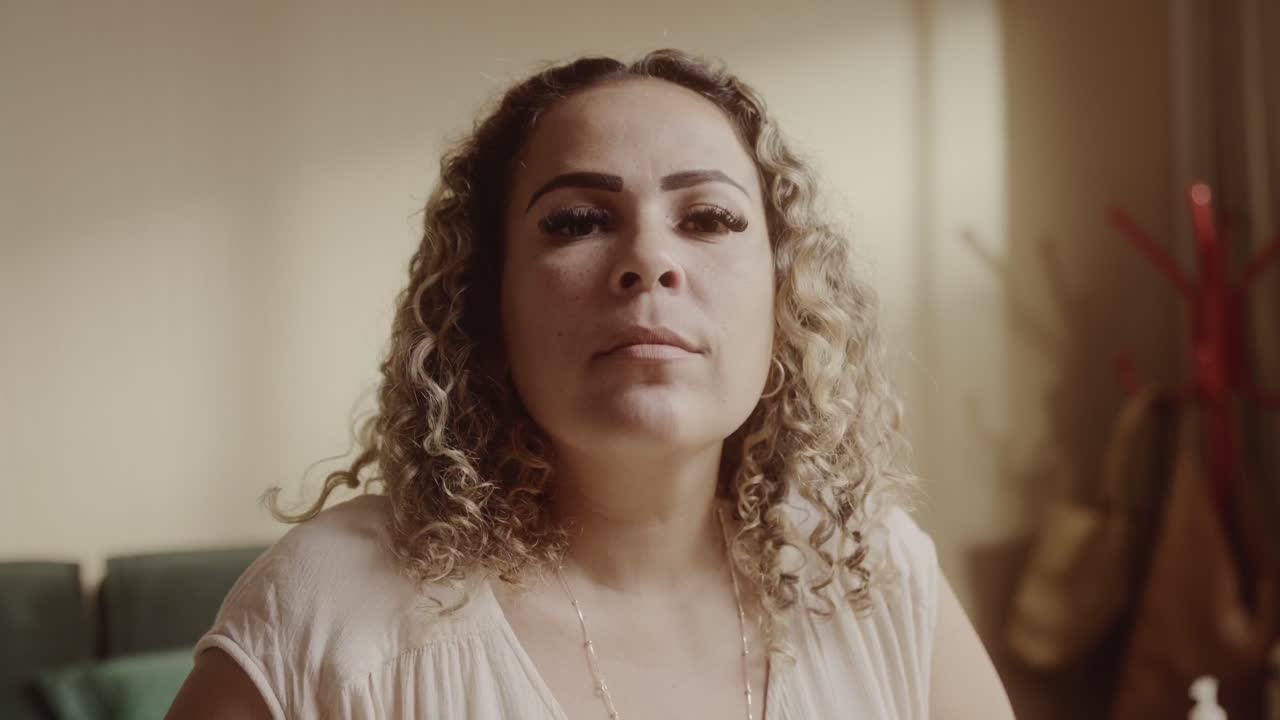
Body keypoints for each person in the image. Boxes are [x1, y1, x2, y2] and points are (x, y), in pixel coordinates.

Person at [167, 49, 1014, 719]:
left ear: (783, 298)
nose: (650, 258)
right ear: (487, 301)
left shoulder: (877, 578)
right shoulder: (327, 616)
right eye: (577, 221)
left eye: (709, 218)